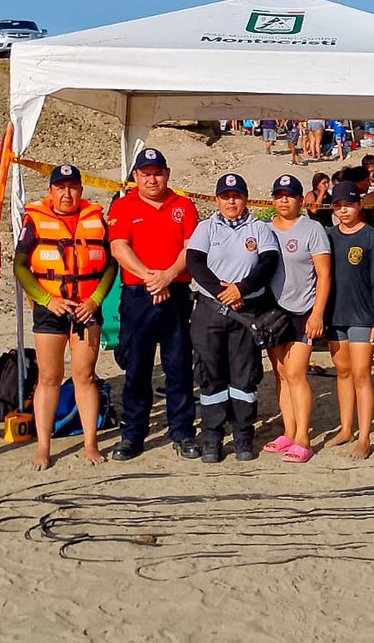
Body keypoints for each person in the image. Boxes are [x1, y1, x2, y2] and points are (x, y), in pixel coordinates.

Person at [15, 164, 117, 470]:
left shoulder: (97, 219)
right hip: (51, 308)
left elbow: (111, 264)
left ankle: (90, 443)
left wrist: (96, 299)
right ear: (50, 191)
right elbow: (20, 266)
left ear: (81, 191)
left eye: (72, 187)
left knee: (84, 376)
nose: (67, 193)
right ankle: (43, 447)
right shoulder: (34, 221)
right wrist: (47, 299)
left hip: (87, 307)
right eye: (60, 188)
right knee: (49, 377)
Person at [107, 147, 201, 461]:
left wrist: (168, 276)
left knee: (178, 366)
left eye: (157, 172)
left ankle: (182, 431)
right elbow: (119, 248)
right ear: (135, 176)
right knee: (137, 367)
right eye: (145, 173)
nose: (152, 178)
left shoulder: (183, 205)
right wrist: (151, 277)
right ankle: (133, 433)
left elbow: (191, 248)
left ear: (167, 174)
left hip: (175, 294)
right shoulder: (123, 205)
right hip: (138, 296)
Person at [185, 173, 280, 463]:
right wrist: (221, 292)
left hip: (246, 311)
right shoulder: (206, 228)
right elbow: (195, 263)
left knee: (243, 375)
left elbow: (268, 262)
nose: (231, 201)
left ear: (245, 199)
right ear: (217, 200)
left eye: (236, 196)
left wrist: (242, 288)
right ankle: (212, 436)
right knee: (210, 374)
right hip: (210, 310)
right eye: (226, 197)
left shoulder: (259, 228)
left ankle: (242, 434)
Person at [263, 174, 332, 464]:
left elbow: (325, 274)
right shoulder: (264, 229)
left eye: (289, 195)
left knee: (296, 373)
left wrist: (317, 313)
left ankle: (304, 437)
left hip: (302, 310)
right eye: (279, 195)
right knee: (280, 373)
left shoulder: (312, 228)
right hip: (272, 310)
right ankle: (288, 431)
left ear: (300, 199)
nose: (283, 200)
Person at [323, 181, 374, 459]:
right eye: (338, 206)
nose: (343, 210)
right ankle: (346, 428)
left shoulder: (371, 237)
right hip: (335, 315)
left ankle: (364, 436)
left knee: (362, 374)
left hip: (362, 317)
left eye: (348, 205)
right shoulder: (328, 236)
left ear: (359, 205)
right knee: (343, 372)